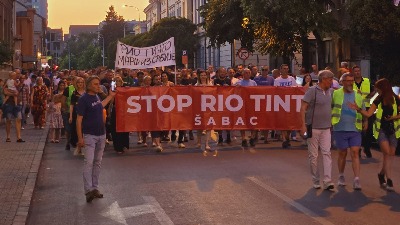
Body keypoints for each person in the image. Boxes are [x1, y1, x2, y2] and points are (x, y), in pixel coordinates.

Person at [348, 78, 400, 192]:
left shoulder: (396, 99)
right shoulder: (378, 99)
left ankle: (381, 174)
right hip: (381, 129)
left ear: (383, 88)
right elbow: (369, 113)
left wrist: (393, 118)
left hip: (394, 130)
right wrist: (358, 109)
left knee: (391, 154)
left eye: (378, 88)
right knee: (386, 152)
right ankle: (389, 179)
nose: (376, 90)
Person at [76, 75, 116, 203]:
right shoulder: (83, 99)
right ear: (88, 85)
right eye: (95, 84)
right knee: (89, 162)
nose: (98, 86)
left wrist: (110, 96)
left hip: (101, 134)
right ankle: (88, 190)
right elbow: (79, 119)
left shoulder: (97, 97)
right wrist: (80, 137)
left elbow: (100, 107)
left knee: (98, 162)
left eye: (98, 83)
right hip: (89, 135)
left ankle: (95, 188)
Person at [300, 70, 334, 190]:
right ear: (323, 79)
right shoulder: (312, 91)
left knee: (327, 153)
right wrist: (303, 125)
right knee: (314, 155)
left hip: (326, 128)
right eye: (330, 79)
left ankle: (327, 180)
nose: (331, 82)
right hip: (313, 127)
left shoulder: (331, 92)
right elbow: (303, 107)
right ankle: (315, 179)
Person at [332, 73, 365, 190]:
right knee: (342, 153)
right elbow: (330, 108)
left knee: (355, 152)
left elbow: (363, 110)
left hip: (355, 128)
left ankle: (356, 179)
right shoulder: (335, 94)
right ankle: (341, 175)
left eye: (352, 80)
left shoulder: (358, 95)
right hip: (340, 128)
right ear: (342, 82)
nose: (350, 83)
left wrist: (365, 122)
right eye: (348, 80)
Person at [274, 64, 298, 148]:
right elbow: (274, 91)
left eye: (287, 68)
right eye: (284, 68)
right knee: (282, 122)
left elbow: (296, 89)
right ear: (281, 70)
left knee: (290, 122)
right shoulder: (277, 80)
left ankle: (287, 136)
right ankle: (284, 139)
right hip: (281, 103)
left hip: (290, 103)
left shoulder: (291, 79)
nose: (286, 70)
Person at [352, 65, 374, 158]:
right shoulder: (351, 82)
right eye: (355, 71)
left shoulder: (367, 81)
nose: (357, 72)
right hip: (355, 109)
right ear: (353, 72)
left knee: (368, 130)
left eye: (358, 71)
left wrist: (369, 96)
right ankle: (359, 149)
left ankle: (367, 148)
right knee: (357, 130)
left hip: (367, 108)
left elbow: (373, 91)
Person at [236, 68, 257, 147]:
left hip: (251, 105)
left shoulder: (253, 83)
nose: (247, 74)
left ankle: (252, 137)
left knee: (253, 121)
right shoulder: (239, 82)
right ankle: (243, 138)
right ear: (243, 74)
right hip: (242, 105)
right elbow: (234, 91)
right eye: (245, 73)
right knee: (242, 122)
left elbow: (257, 92)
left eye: (248, 73)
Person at [109, 76, 130, 154]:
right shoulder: (112, 90)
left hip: (124, 111)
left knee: (124, 128)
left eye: (119, 81)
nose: (117, 82)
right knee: (116, 129)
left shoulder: (125, 90)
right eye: (116, 81)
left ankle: (124, 144)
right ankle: (118, 147)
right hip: (115, 110)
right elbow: (111, 102)